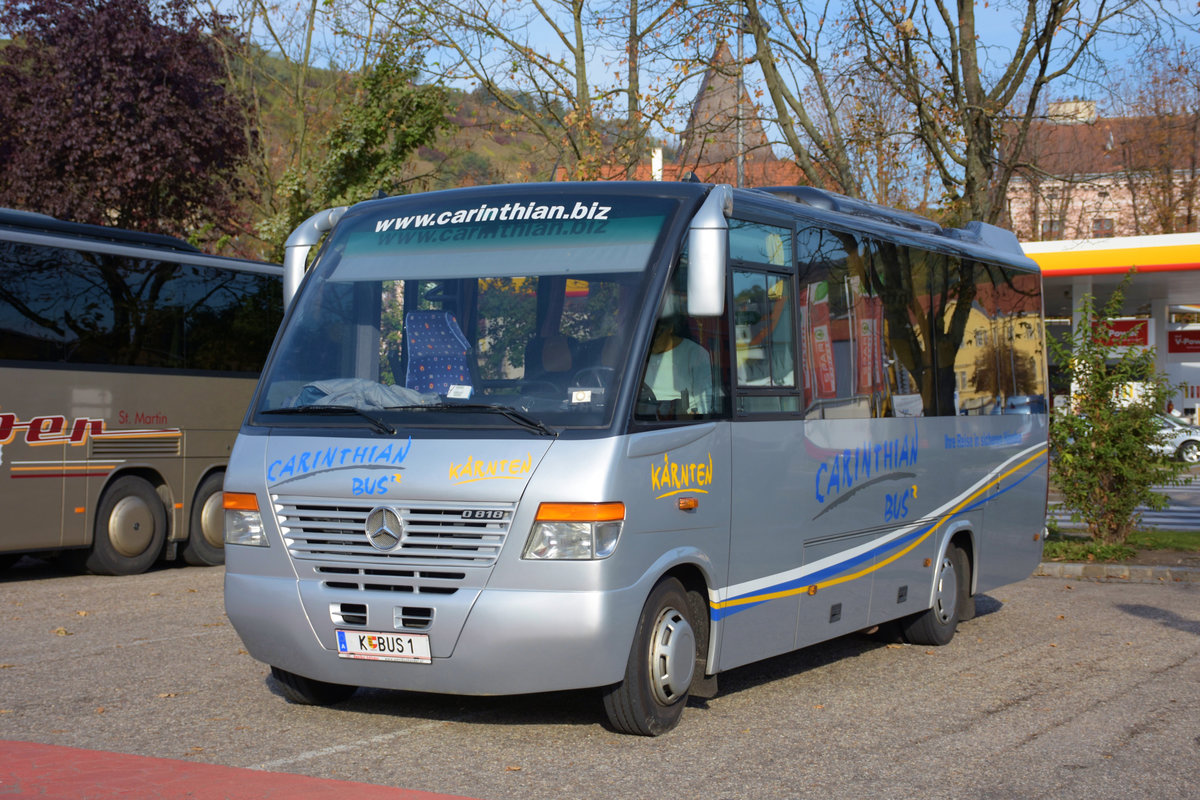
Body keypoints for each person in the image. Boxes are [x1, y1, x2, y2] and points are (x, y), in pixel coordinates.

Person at [643, 315, 712, 415]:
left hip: (681, 420)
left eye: (656, 335)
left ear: (670, 328)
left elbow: (704, 403)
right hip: (644, 417)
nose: (651, 341)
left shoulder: (695, 354)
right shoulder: (640, 354)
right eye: (647, 336)